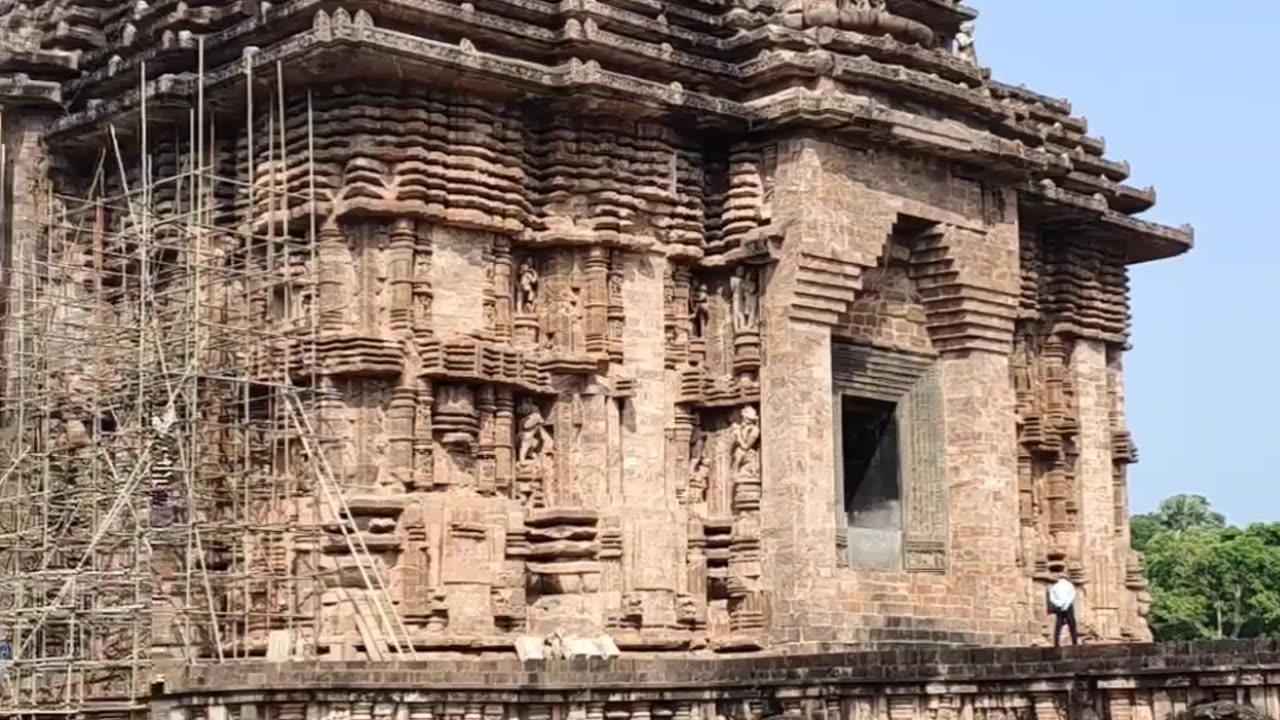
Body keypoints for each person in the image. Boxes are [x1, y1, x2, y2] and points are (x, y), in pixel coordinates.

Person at [1047, 575, 1080, 647]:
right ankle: (1074, 642)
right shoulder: (1069, 585)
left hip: (1059, 606)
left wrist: (1059, 604)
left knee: (1058, 625)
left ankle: (1056, 643)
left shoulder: (1055, 586)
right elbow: (1072, 595)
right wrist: (1066, 604)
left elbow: (1052, 598)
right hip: (1067, 606)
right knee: (1072, 624)